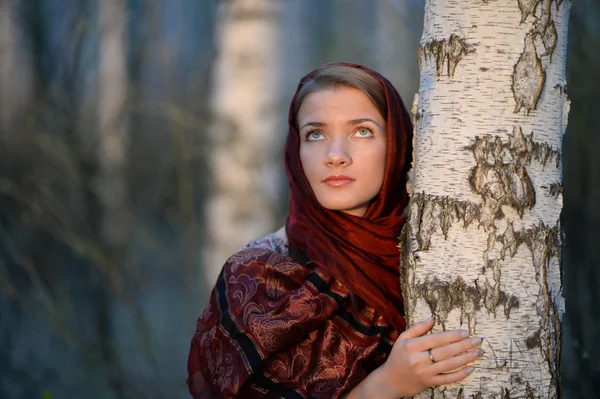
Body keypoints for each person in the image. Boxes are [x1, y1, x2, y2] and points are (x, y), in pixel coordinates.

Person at [186, 62, 484, 398]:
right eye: (316, 133)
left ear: (397, 145)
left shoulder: (441, 250)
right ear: (296, 152)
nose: (336, 156)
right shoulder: (254, 275)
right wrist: (385, 385)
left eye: (362, 131)